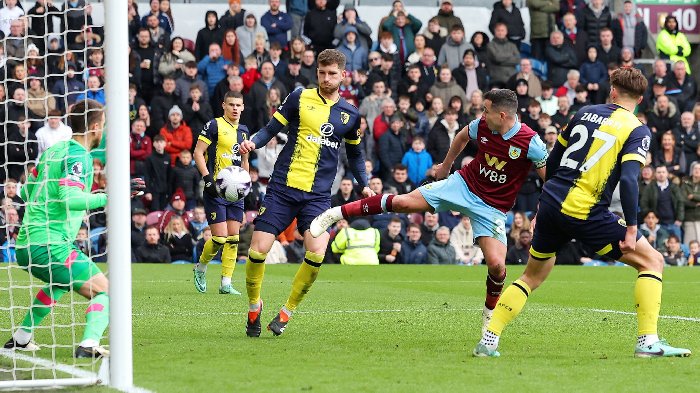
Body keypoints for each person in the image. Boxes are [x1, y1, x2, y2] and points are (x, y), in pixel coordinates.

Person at [474, 67, 691, 358]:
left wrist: (542, 204)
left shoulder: (583, 112)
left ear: (613, 90)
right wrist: (631, 228)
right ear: (640, 98)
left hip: (552, 203)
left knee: (532, 276)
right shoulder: (637, 129)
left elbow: (552, 163)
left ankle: (489, 341)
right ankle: (647, 342)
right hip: (585, 209)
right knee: (653, 261)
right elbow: (628, 180)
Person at [311, 89, 548, 334]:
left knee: (498, 267)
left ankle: (489, 315)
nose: (482, 116)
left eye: (486, 111)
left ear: (502, 115)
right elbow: (461, 136)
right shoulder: (483, 125)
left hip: (492, 208)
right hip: (463, 185)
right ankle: (335, 213)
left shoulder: (531, 143)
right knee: (403, 203)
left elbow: (550, 181)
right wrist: (446, 167)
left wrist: (541, 213)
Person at [238, 49, 372, 337]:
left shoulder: (350, 114)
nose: (326, 78)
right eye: (322, 73)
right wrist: (253, 143)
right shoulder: (299, 97)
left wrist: (365, 182)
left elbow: (356, 155)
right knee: (257, 249)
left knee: (317, 252)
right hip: (283, 188)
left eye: (332, 74)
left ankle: (286, 312)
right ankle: (253, 306)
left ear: (343, 75)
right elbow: (271, 129)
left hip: (318, 196)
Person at [3, 100, 142, 358]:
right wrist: (111, 195)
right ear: (95, 126)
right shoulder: (79, 156)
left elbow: (27, 191)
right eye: (104, 127)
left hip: (26, 243)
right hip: (50, 244)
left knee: (60, 283)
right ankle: (89, 344)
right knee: (108, 290)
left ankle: (21, 338)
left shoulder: (52, 151)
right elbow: (69, 199)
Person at [193, 91, 250, 295]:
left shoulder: (244, 131)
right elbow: (198, 152)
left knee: (234, 238)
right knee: (219, 238)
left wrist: (246, 183)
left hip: (236, 192)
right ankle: (200, 268)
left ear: (243, 107)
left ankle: (226, 283)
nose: (235, 108)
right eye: (231, 104)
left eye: (239, 105)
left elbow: (245, 161)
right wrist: (207, 178)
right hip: (216, 189)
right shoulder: (214, 125)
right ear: (223, 105)